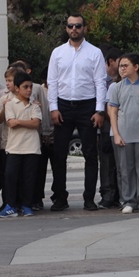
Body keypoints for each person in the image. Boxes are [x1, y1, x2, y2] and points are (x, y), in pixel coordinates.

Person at [47, 13, 106, 212]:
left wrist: (100, 110)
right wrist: (53, 108)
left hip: (87, 106)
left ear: (84, 28)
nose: (74, 29)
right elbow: (52, 81)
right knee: (59, 154)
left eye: (78, 26)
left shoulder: (95, 53)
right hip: (63, 106)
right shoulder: (57, 53)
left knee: (90, 153)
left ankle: (89, 197)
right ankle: (60, 197)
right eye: (71, 26)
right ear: (66, 29)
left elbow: (100, 82)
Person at [107, 53, 139, 214]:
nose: (121, 68)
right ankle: (128, 200)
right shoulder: (117, 87)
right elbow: (113, 112)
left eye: (125, 65)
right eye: (120, 65)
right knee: (125, 169)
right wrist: (116, 133)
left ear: (136, 67)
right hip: (124, 134)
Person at [0, 72, 41, 217]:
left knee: (29, 177)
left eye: (30, 87)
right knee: (10, 176)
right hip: (14, 147)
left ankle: (26, 205)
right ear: (16, 88)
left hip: (32, 147)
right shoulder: (9, 104)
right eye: (25, 87)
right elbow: (10, 123)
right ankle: (10, 205)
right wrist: (24, 122)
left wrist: (19, 121)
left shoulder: (34, 105)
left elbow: (36, 123)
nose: (29, 90)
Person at [98, 47, 122, 209]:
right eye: (120, 64)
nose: (122, 68)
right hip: (106, 126)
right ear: (111, 62)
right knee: (107, 162)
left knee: (122, 162)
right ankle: (107, 194)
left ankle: (121, 194)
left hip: (124, 126)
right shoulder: (101, 80)